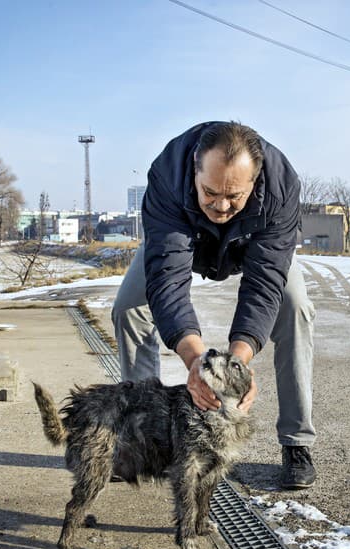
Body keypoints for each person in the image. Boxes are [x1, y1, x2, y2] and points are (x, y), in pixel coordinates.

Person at [111, 121, 317, 489]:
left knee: (296, 307)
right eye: (209, 192)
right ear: (194, 168)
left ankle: (296, 441)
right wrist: (195, 362)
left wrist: (238, 362)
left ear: (255, 181)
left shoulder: (283, 185)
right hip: (184, 244)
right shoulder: (167, 175)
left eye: (234, 196)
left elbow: (265, 281)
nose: (221, 206)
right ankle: (141, 440)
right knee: (128, 308)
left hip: (252, 249)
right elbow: (167, 279)